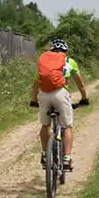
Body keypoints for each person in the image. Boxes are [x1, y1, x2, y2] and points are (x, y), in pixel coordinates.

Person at [30, 38, 88, 171]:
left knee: (45, 125)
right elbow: (80, 84)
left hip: (44, 94)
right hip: (61, 94)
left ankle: (45, 154)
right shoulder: (69, 61)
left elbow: (35, 85)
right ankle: (66, 159)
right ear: (65, 51)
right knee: (67, 126)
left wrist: (34, 101)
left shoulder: (44, 63)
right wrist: (84, 98)